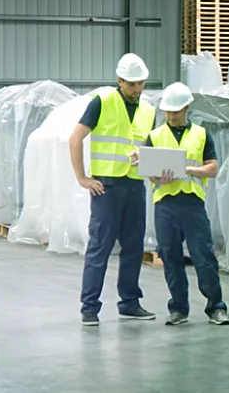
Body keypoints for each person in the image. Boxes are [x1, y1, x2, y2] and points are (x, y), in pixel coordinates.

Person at [70, 54, 158, 326]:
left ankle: (129, 303)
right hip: (106, 188)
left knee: (133, 248)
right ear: (120, 81)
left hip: (135, 186)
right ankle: (89, 308)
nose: (136, 89)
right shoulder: (102, 102)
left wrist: (148, 161)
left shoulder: (148, 110)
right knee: (100, 247)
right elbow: (75, 138)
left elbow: (149, 147)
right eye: (131, 84)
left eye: (140, 83)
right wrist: (82, 178)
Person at [135, 82, 229, 326]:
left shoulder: (201, 134)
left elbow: (213, 168)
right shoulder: (155, 136)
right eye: (168, 111)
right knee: (170, 256)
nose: (171, 116)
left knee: (204, 256)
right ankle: (178, 309)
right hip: (165, 204)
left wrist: (188, 169)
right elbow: (150, 174)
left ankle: (216, 307)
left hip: (192, 203)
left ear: (187, 108)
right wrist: (159, 177)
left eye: (176, 111)